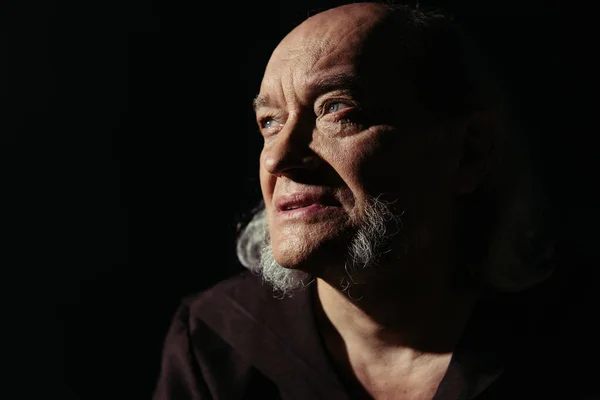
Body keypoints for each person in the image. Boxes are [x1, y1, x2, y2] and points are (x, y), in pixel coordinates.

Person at [152, 2, 589, 399]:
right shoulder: (216, 341)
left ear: (468, 152)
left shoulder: (572, 336)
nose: (277, 157)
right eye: (269, 122)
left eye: (336, 109)